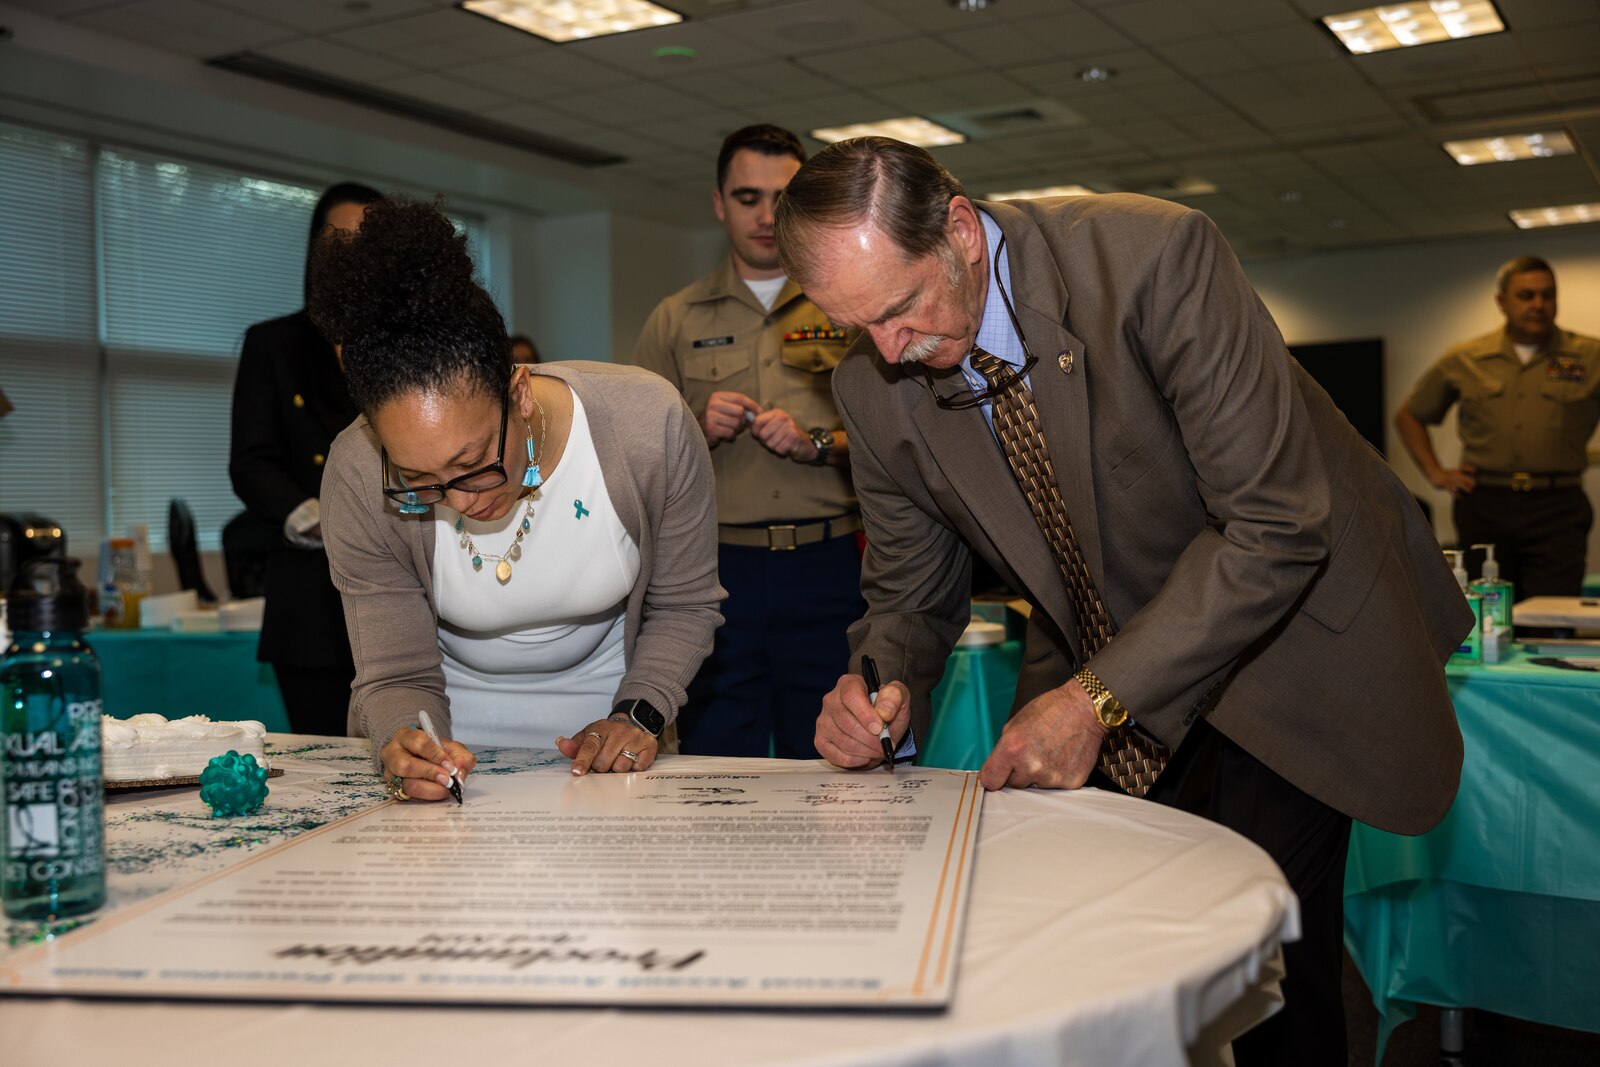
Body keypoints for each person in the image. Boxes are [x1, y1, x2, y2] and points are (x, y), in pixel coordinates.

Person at [776, 138, 1470, 1067]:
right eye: (856, 325)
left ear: (958, 229)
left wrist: (1093, 700)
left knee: (1261, 950)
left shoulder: (1155, 257)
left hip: (1286, 628)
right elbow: (908, 591)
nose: (890, 350)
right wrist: (879, 688)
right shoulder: (875, 386)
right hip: (1115, 643)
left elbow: (1274, 524)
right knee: (1097, 935)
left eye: (901, 309)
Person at [312, 199, 722, 800]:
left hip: (614, 726)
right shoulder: (355, 472)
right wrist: (410, 743)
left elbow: (685, 605)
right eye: (420, 480)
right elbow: (397, 671)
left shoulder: (646, 425)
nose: (457, 500)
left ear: (519, 393)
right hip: (456, 743)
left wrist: (639, 714)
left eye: (471, 464)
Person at [632, 124, 863, 759]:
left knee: (833, 764)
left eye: (783, 198)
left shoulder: (847, 302)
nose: (766, 216)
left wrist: (818, 442)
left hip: (830, 566)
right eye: (746, 197)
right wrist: (692, 430)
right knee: (712, 766)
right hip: (713, 576)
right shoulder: (675, 318)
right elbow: (632, 465)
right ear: (718, 203)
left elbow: (900, 442)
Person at [229, 181, 381, 734]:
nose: (352, 251)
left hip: (409, 595)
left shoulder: (410, 345)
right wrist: (314, 514)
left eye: (367, 239)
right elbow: (250, 462)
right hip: (311, 603)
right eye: (338, 238)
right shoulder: (274, 344)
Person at [1396, 256, 1600, 597]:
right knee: (1486, 609)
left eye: (1547, 295)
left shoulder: (1589, 357)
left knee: (1551, 616)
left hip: (1557, 506)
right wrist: (1436, 473)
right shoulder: (1467, 357)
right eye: (1527, 295)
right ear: (1501, 302)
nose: (1538, 304)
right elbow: (1410, 415)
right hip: (1485, 504)